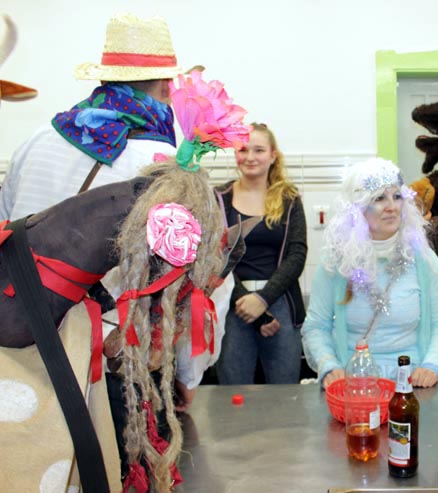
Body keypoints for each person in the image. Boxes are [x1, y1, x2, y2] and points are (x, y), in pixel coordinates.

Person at [0, 13, 185, 221]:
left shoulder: (38, 139)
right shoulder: (161, 161)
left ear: (103, 81)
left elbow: (3, 222)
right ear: (167, 87)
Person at [301, 158, 438, 389]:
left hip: (410, 383)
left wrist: (431, 365)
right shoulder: (336, 262)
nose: (392, 207)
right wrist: (329, 366)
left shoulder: (423, 259)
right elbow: (316, 326)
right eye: (379, 198)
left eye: (397, 196)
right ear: (358, 208)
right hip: (353, 384)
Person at [214, 123, 307, 384]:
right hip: (232, 304)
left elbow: (297, 254)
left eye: (259, 150)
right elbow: (214, 258)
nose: (250, 157)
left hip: (281, 304)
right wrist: (245, 301)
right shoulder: (218, 198)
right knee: (233, 395)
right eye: (243, 150)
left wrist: (263, 300)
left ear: (273, 155)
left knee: (284, 396)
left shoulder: (290, 199)